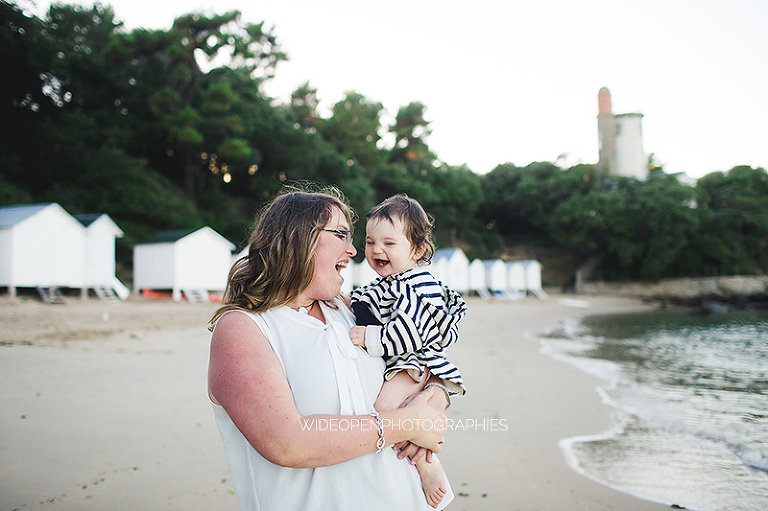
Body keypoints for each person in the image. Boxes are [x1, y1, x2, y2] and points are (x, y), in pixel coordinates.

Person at [207, 186, 452, 511]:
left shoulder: (353, 311)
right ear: (299, 238)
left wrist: (434, 395)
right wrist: (409, 422)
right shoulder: (245, 328)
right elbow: (288, 443)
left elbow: (422, 359)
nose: (353, 250)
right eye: (341, 234)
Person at [349, 194, 467, 509]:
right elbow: (367, 299)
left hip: (416, 363)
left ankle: (429, 466)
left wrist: (370, 337)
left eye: (389, 243)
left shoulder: (418, 284)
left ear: (416, 250)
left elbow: (413, 332)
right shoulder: (391, 281)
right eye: (370, 241)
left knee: (383, 411)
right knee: (395, 415)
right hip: (407, 364)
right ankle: (420, 451)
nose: (376, 250)